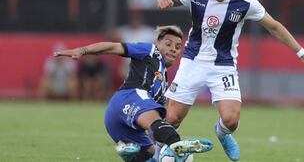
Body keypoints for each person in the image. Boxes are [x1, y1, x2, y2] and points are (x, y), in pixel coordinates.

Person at [157, 0, 304, 161]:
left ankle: (222, 133)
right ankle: (157, 156)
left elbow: (274, 26)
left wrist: (301, 52)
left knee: (231, 120)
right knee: (172, 118)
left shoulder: (246, 2)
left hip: (223, 65)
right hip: (192, 61)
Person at [54, 25, 213, 162]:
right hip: (130, 97)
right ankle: (177, 144)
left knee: (155, 157)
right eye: (168, 43)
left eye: (178, 47)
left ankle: (130, 155)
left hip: (119, 122)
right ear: (157, 44)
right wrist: (83, 50)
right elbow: (113, 47)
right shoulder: (150, 50)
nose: (173, 48)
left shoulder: (163, 79)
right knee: (163, 135)